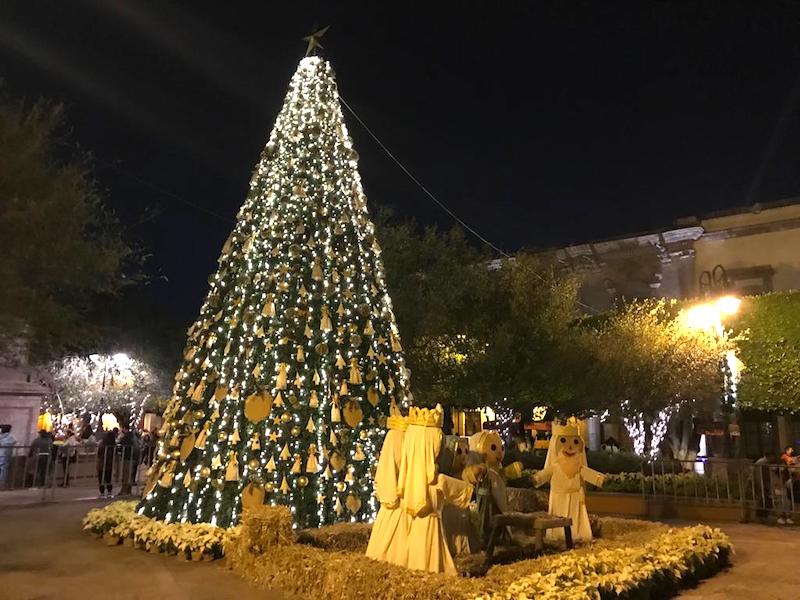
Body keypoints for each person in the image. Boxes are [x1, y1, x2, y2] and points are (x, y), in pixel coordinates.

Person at [396, 405, 483, 575]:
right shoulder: (434, 481)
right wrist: (470, 488)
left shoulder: (411, 480)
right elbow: (452, 488)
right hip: (430, 535)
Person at [365, 404, 410, 565]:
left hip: (400, 500)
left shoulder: (396, 437)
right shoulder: (401, 437)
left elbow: (388, 468)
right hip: (404, 502)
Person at [116, 425, 139, 496]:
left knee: (126, 475)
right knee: (130, 475)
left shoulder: (126, 438)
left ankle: (124, 490)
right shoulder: (133, 438)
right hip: (132, 458)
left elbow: (121, 443)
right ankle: (128, 490)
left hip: (127, 457)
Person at [97, 430, 116, 497]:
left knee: (101, 477)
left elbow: (99, 453)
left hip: (102, 463)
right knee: (108, 477)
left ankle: (102, 491)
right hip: (109, 463)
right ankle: (109, 490)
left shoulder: (102, 444)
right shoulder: (113, 445)